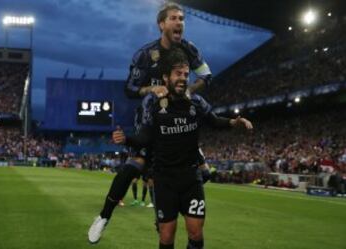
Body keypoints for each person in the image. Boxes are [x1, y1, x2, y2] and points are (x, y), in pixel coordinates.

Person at [88, 2, 211, 244]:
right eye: (174, 18)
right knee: (136, 164)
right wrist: (151, 88)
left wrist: (189, 91)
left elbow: (206, 75)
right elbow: (130, 88)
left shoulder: (191, 50)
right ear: (161, 24)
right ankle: (103, 217)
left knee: (202, 173)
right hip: (151, 120)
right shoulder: (145, 54)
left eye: (182, 18)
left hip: (180, 124)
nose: (179, 22)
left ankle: (162, 212)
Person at [112, 47, 253, 249]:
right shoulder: (154, 104)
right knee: (167, 236)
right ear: (165, 77)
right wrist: (126, 139)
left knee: (196, 233)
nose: (183, 78)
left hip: (191, 179)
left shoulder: (196, 102)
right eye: (178, 74)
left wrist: (233, 122)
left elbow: (214, 121)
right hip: (164, 181)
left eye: (186, 74)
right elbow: (145, 137)